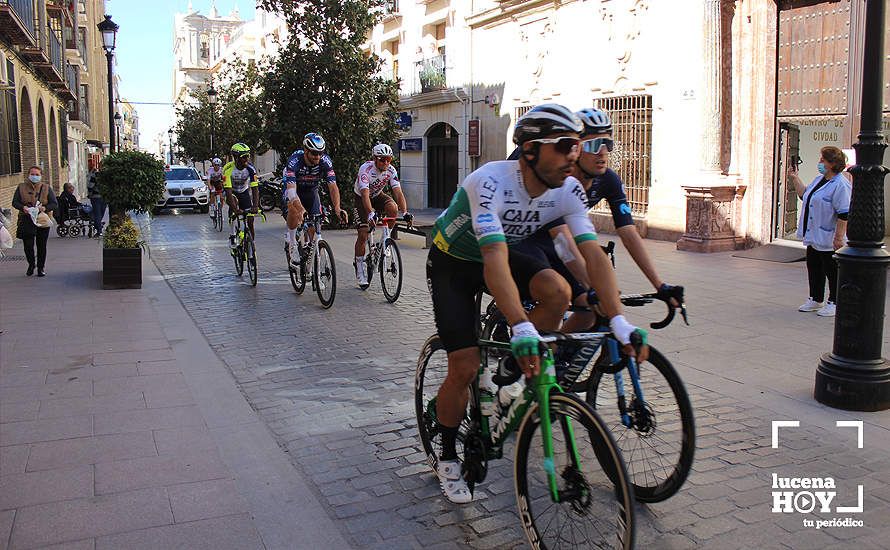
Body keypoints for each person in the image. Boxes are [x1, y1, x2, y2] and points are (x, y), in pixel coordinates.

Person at [426, 104, 645, 503]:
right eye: (563, 146)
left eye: (577, 147)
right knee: (464, 365)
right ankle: (446, 455)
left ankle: (509, 371)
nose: (573, 157)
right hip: (454, 262)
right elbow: (492, 261)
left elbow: (592, 255)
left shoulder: (568, 190)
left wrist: (619, 321)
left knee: (559, 291)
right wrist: (521, 326)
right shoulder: (489, 181)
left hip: (501, 251)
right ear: (530, 150)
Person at [788, 146, 851, 317]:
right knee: (814, 266)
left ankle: (835, 302)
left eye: (822, 160)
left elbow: (844, 213)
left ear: (831, 163)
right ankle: (816, 298)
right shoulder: (819, 179)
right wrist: (794, 178)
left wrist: (838, 238)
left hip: (829, 236)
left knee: (832, 270)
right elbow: (804, 195)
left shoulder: (840, 184)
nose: (819, 163)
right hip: (814, 234)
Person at [281, 133, 347, 268]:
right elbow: (292, 192)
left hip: (311, 191)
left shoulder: (325, 161)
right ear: (306, 151)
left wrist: (337, 208)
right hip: (294, 190)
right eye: (314, 153)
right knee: (294, 209)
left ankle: (310, 263)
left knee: (314, 228)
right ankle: (292, 242)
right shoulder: (294, 161)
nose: (317, 156)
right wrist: (301, 209)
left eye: (320, 153)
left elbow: (333, 186)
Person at [353, 143, 412, 287]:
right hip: (362, 198)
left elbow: (398, 192)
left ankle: (386, 238)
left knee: (392, 207)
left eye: (388, 159)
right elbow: (365, 195)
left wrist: (405, 212)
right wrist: (370, 213)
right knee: (363, 234)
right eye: (382, 159)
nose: (385, 162)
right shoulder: (365, 170)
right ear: (374, 158)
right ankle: (360, 268)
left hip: (378, 195)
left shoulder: (391, 170)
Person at [12, 166, 58, 277]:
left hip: (42, 219)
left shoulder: (46, 188)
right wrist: (23, 208)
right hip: (26, 219)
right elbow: (15, 202)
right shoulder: (21, 187)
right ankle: (31, 264)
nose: (34, 176)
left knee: (41, 245)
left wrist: (44, 208)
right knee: (28, 245)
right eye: (32, 174)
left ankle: (41, 268)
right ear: (28, 175)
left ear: (41, 176)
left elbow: (54, 204)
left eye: (37, 174)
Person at [223, 143, 259, 247]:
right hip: (232, 192)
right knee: (233, 203)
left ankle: (252, 245)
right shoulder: (228, 169)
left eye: (248, 156)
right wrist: (235, 209)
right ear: (236, 157)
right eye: (244, 157)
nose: (247, 159)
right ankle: (233, 235)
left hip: (244, 191)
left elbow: (255, 188)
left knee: (250, 219)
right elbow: (228, 192)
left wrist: (255, 206)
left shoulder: (251, 168)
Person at [86, 158, 106, 236]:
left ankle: (98, 229)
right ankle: (98, 228)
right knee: (100, 213)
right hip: (103, 197)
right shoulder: (107, 176)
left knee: (97, 213)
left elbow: (90, 186)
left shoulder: (96, 174)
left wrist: (90, 194)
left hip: (96, 197)